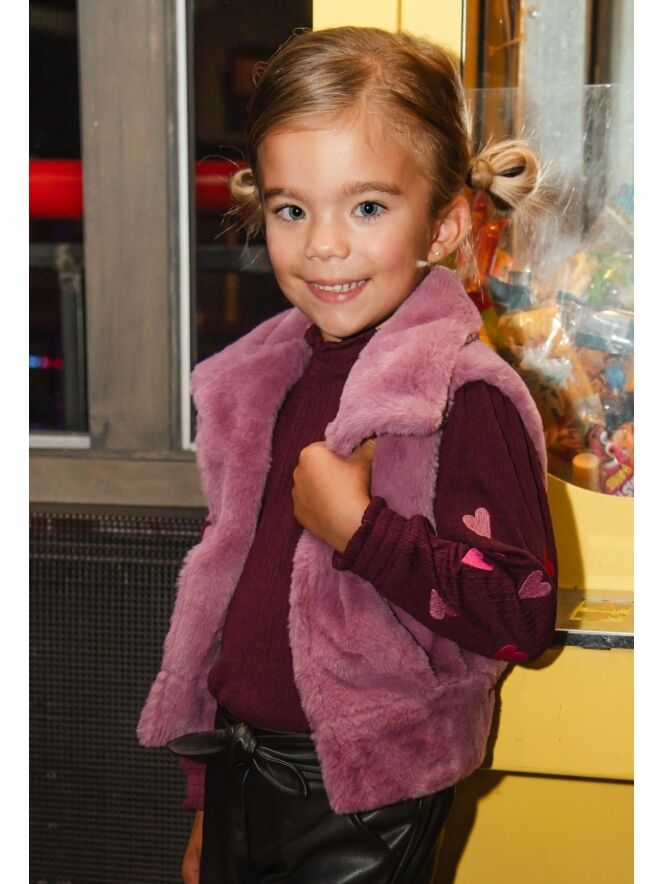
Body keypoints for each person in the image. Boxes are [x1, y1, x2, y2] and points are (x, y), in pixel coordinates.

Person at [137, 26, 557, 884]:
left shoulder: (463, 397)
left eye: (366, 207)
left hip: (367, 794)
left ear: (443, 224)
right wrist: (208, 801)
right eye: (292, 210)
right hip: (242, 769)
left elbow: (521, 616)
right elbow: (230, 610)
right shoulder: (262, 382)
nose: (322, 244)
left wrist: (362, 531)